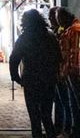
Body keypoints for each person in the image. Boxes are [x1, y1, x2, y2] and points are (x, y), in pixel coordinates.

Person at [10, 9, 62, 138]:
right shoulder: (50, 36)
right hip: (48, 80)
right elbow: (59, 57)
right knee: (46, 115)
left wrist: (16, 77)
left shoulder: (24, 38)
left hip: (31, 80)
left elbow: (14, 59)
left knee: (34, 117)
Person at [56, 7, 80, 138]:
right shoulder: (69, 30)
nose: (59, 23)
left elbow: (74, 54)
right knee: (74, 103)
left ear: (65, 17)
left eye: (59, 20)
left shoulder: (75, 30)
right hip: (70, 73)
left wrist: (70, 72)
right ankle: (75, 130)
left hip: (74, 74)